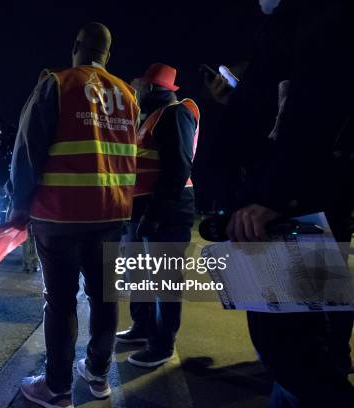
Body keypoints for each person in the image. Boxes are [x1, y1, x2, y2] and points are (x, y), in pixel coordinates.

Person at [199, 0, 353, 406]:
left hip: (287, 210)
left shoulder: (320, 20)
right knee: (297, 357)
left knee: (294, 358)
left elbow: (319, 108)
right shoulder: (289, 23)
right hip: (284, 202)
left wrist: (276, 194)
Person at [7, 22, 139, 407]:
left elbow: (27, 149)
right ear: (108, 55)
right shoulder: (129, 94)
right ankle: (97, 375)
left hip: (60, 215)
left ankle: (58, 388)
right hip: (112, 213)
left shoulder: (57, 82)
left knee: (61, 302)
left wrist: (19, 202)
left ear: (77, 45)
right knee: (105, 298)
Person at [115, 64, 200, 368]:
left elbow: (177, 169)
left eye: (139, 85)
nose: (134, 90)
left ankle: (162, 345)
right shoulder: (150, 117)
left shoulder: (175, 114)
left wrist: (154, 214)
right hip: (142, 210)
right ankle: (143, 328)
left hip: (166, 212)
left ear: (152, 88)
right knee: (138, 275)